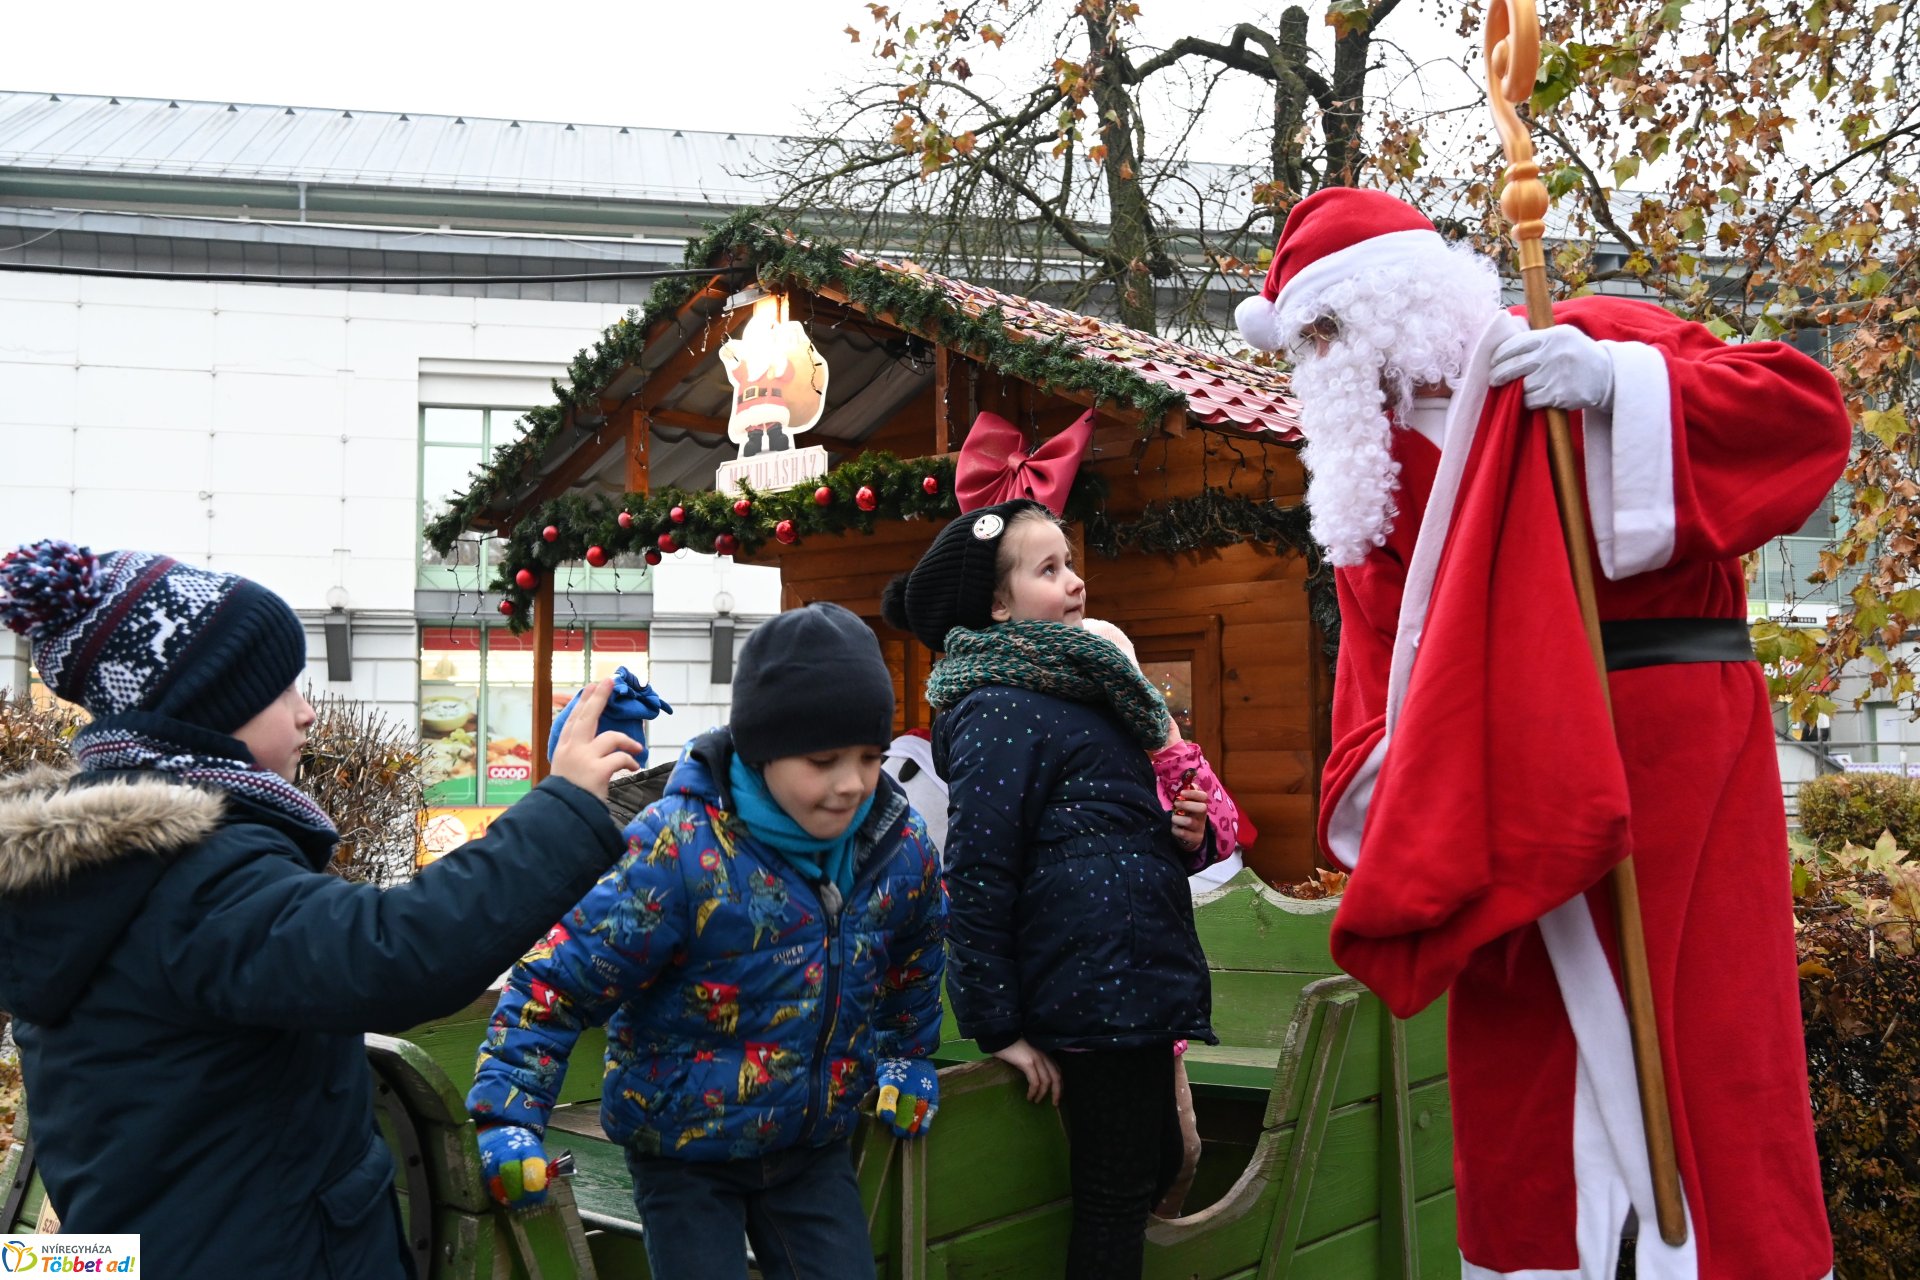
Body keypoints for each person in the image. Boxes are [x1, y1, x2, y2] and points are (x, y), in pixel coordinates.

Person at [1235, 188, 1849, 1280]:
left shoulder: (1585, 338)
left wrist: (1619, 391)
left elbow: (1805, 420)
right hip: (1507, 816)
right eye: (1307, 343)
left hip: (1670, 765)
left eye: (1331, 327)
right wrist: (1418, 795)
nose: (1323, 360)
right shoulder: (1366, 497)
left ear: (1404, 299)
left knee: (1711, 1052)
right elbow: (1371, 704)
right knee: (1530, 1106)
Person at [0, 538, 643, 1279]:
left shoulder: (106, 873)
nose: (308, 713)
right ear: (206, 710)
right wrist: (563, 810)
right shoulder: (190, 882)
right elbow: (400, 953)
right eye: (283, 691)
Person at [466, 602, 946, 1280]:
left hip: (811, 1144)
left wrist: (909, 1055)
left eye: (871, 757)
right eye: (822, 759)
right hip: (683, 1147)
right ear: (761, 749)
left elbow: (919, 945)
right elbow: (559, 981)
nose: (852, 784)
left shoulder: (893, 847)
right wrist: (508, 1115)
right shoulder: (680, 850)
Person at [881, 498, 1216, 1279]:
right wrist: (995, 1023)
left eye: (1070, 563)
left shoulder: (1081, 695)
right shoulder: (999, 706)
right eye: (1049, 569)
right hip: (1091, 986)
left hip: (1126, 973)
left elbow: (1100, 838)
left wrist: (1182, 839)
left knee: (1153, 1158)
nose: (1076, 583)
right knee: (1115, 1189)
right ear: (997, 606)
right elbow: (979, 869)